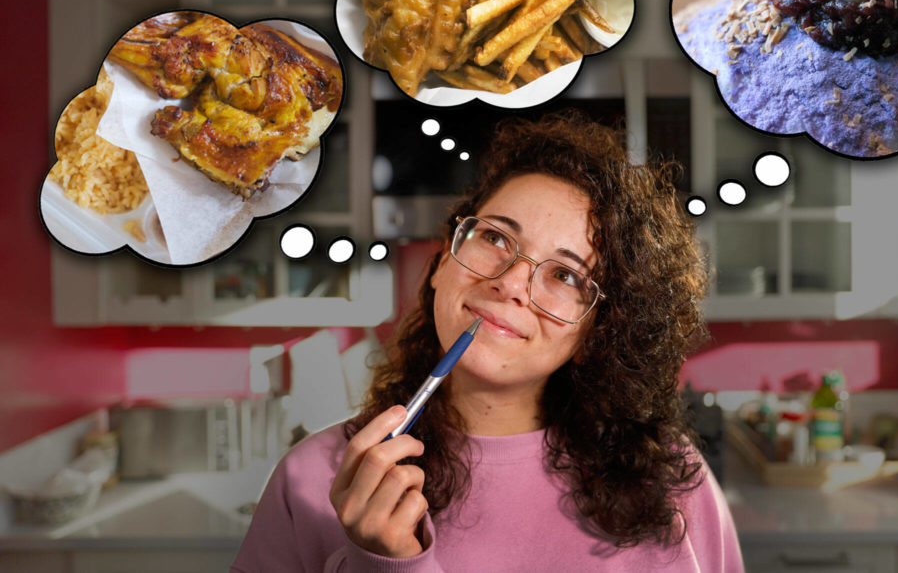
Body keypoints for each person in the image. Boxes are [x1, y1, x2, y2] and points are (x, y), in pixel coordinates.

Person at [231, 114, 742, 572]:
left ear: (598, 333)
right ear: (441, 266)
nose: (511, 283)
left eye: (565, 275)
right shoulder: (309, 481)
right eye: (496, 238)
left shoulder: (673, 486)